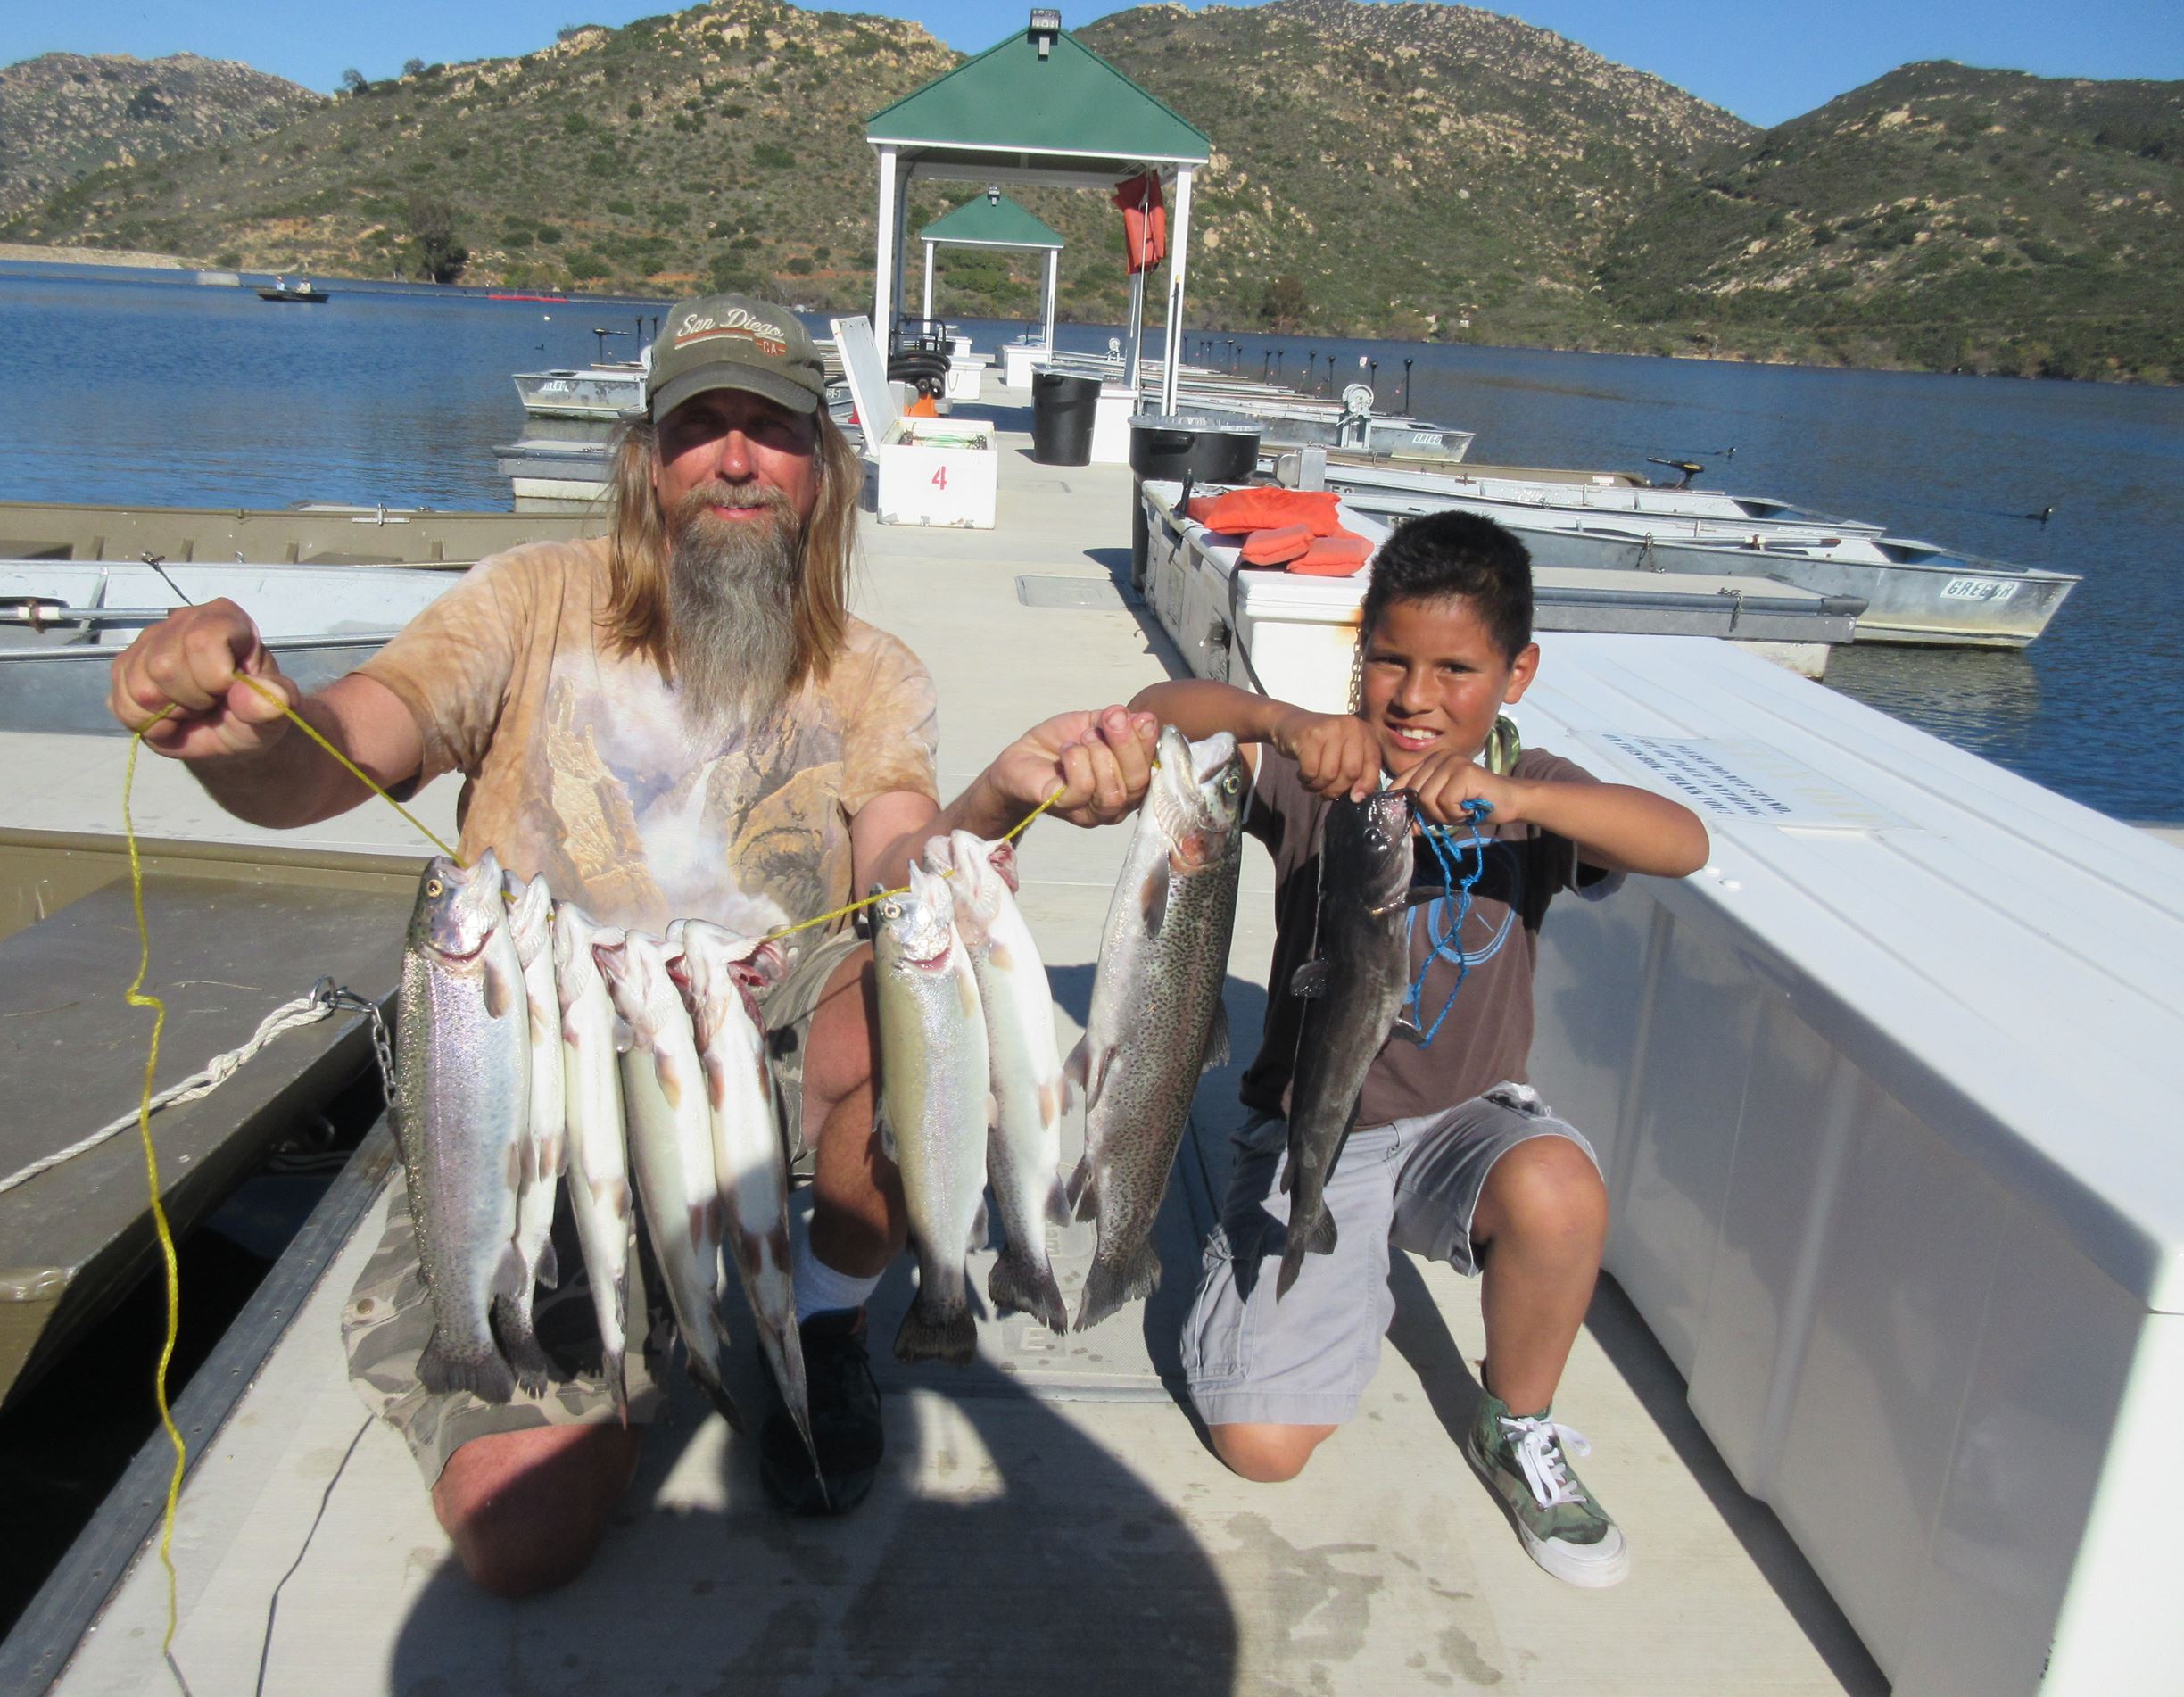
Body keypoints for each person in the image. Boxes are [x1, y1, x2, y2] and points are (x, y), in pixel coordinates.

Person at [108, 293, 1159, 1594]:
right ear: (646, 462)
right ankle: (618, 1298)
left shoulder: (870, 670)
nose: (736, 459)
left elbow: (902, 862)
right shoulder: (528, 601)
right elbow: (338, 755)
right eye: (699, 426)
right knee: (520, 1538)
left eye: (772, 429)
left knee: (921, 1003)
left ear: (821, 469)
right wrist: (250, 733)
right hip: (549, 1075)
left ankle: (821, 1321)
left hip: (761, 1051)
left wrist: (997, 797)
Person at [1129, 510, 1708, 1588]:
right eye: (1389, 661)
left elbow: (1682, 840)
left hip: (1463, 1121)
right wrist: (1278, 720)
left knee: (1558, 1188)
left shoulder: (1532, 794)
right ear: (1359, 656)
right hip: (1321, 1130)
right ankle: (1324, 1259)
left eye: (1455, 670)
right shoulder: (1316, 776)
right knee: (1260, 1448)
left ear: (1516, 674)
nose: (1412, 696)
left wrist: (1521, 799)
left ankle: (1515, 1422)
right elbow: (1152, 717)